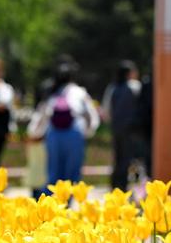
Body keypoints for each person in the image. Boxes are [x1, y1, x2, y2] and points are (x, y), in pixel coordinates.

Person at [28, 58, 99, 186]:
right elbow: (92, 116)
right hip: (75, 132)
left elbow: (41, 115)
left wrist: (34, 133)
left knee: (54, 171)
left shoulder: (51, 92)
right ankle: (69, 202)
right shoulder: (79, 92)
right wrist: (87, 132)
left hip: (53, 134)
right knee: (73, 172)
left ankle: (53, 202)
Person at [101, 60, 142, 191]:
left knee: (117, 158)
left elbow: (106, 111)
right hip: (130, 129)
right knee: (128, 158)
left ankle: (115, 186)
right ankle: (124, 186)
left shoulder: (112, 88)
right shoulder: (135, 86)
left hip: (116, 128)